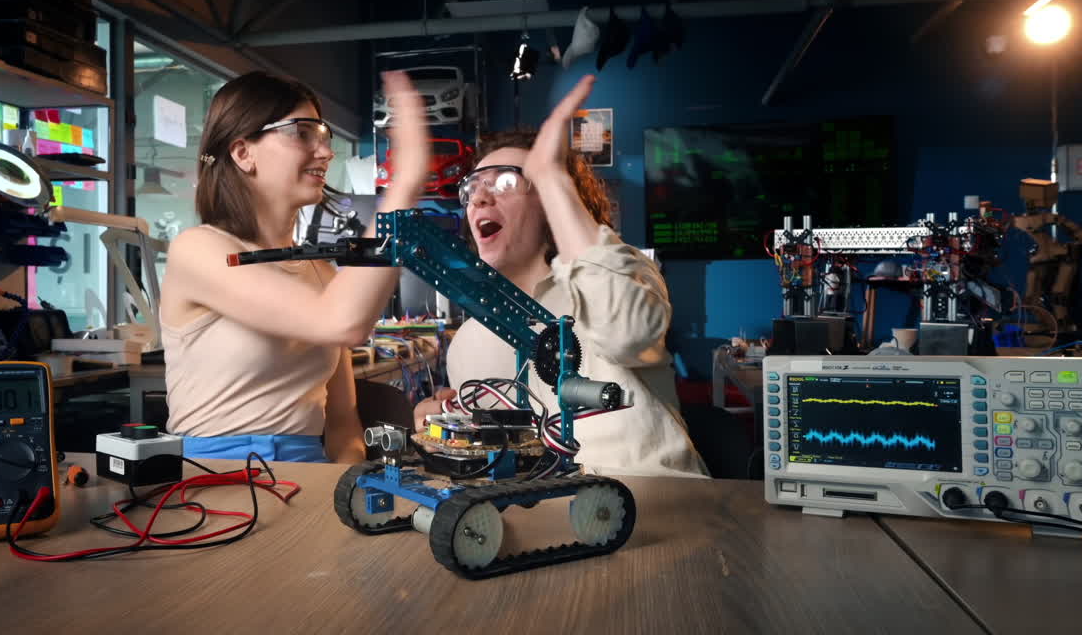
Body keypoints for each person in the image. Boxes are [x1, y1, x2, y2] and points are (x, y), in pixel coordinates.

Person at [419, 76, 708, 478]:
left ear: (554, 202)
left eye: (505, 182)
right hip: (548, 522)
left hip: (659, 506)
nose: (480, 198)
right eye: (473, 188)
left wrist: (551, 176)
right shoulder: (468, 342)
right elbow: (496, 463)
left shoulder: (619, 274)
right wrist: (442, 426)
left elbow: (627, 332)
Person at [158, 71, 429, 463]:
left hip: (309, 478)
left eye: (323, 136)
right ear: (242, 152)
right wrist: (403, 187)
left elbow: (341, 422)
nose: (325, 151)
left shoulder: (319, 270)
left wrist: (344, 497)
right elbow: (342, 321)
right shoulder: (199, 249)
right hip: (216, 482)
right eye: (302, 133)